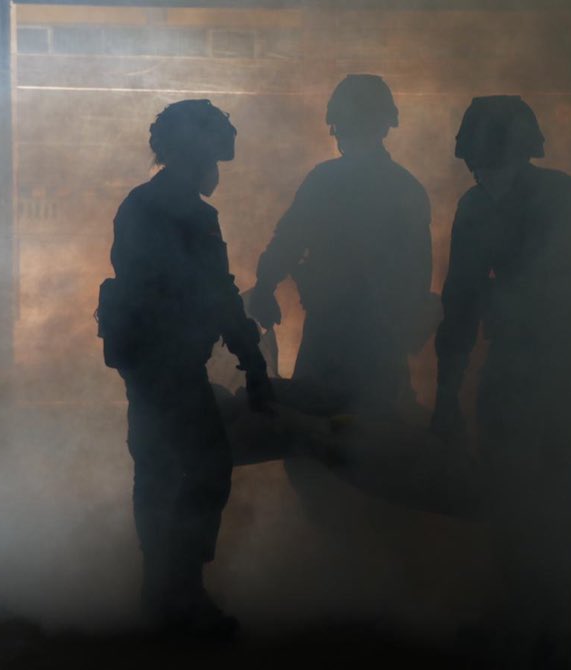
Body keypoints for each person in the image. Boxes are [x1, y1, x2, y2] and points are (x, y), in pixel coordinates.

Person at [432, 95, 571, 667]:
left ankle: (553, 630)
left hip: (566, 371)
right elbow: (459, 302)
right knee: (507, 498)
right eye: (478, 165)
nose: (485, 175)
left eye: (494, 162)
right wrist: (445, 394)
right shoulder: (477, 207)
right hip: (511, 370)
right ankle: (517, 618)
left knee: (561, 503)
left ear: (522, 155)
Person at [102, 99, 272, 636]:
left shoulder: (140, 203)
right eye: (212, 157)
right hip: (168, 363)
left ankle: (160, 594)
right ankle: (183, 597)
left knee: (155, 471)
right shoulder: (189, 213)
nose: (216, 170)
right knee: (204, 467)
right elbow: (216, 293)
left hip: (146, 362)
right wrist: (253, 361)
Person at [250, 74, 433, 416]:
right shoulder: (406, 188)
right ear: (384, 125)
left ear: (339, 127)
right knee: (377, 436)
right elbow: (419, 273)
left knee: (316, 434)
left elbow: (288, 241)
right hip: (382, 341)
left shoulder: (325, 181)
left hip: (330, 335)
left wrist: (264, 288)